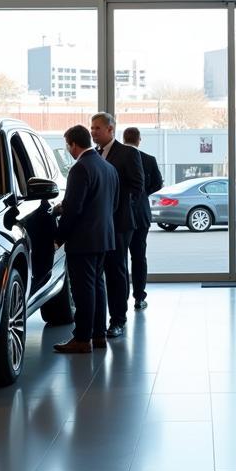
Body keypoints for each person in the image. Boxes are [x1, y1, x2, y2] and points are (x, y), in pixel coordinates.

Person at [53, 124, 119, 354]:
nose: (68, 149)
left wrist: (59, 237)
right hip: (104, 236)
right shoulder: (108, 167)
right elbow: (113, 204)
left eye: (67, 145)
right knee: (98, 287)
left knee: (83, 291)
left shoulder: (80, 168)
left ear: (73, 144)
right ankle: (98, 335)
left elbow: (74, 208)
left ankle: (82, 339)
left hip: (83, 240)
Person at [90, 112, 144, 337]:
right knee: (98, 272)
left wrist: (113, 203)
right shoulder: (94, 154)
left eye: (97, 128)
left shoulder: (127, 153)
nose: (93, 132)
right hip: (98, 223)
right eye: (92, 128)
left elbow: (137, 185)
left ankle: (118, 320)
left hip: (120, 222)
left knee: (116, 270)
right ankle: (95, 322)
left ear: (111, 130)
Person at [123, 126, 163, 311]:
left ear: (123, 139)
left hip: (120, 215)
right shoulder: (149, 159)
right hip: (141, 214)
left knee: (120, 259)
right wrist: (143, 194)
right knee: (139, 257)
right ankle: (139, 297)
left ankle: (120, 298)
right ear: (139, 140)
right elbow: (158, 183)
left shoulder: (117, 158)